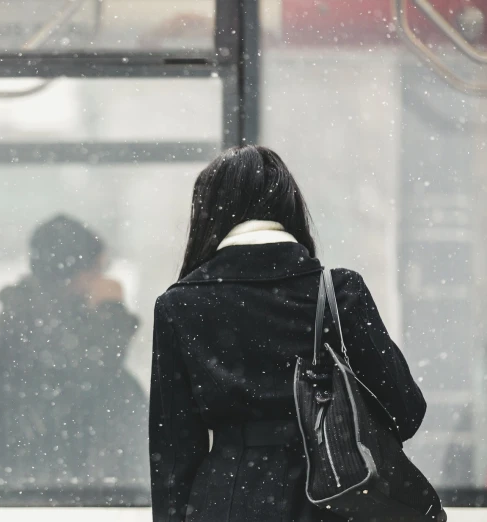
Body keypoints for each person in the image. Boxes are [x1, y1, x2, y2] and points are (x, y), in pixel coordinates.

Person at [149, 145, 427, 522]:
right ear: (289, 208)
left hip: (227, 503)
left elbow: (175, 454)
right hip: (336, 498)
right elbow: (406, 411)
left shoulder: (179, 305)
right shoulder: (338, 292)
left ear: (207, 214)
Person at [0, 214, 149, 488]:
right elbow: (97, 369)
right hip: (44, 466)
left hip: (57, 455)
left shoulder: (42, 314)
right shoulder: (30, 318)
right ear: (73, 273)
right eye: (97, 271)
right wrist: (110, 309)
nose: (101, 280)